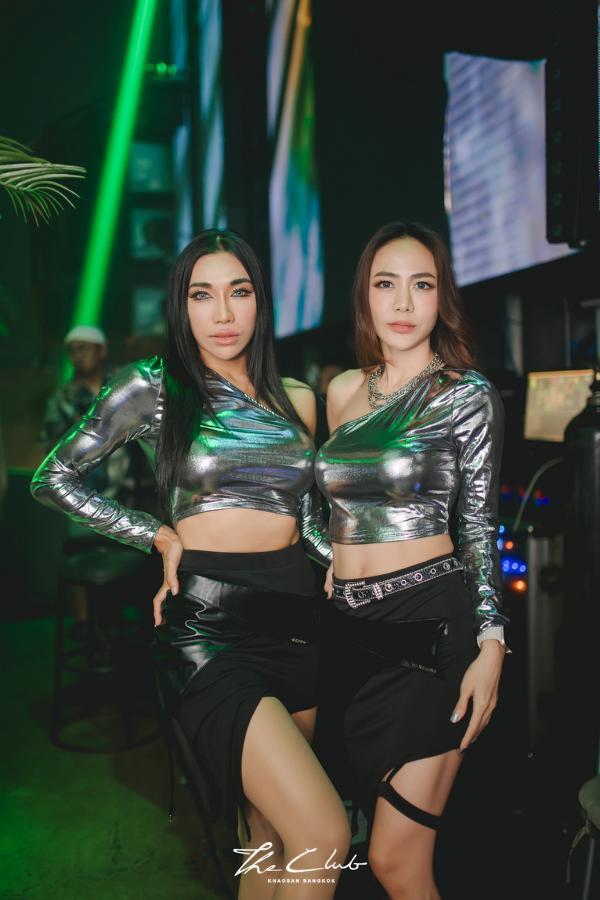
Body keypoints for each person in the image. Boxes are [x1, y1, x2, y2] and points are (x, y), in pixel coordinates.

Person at [31, 229, 350, 899]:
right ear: (181, 305)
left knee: (266, 830)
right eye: (202, 295)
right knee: (324, 834)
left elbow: (304, 518)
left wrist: (343, 563)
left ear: (261, 301)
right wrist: (152, 532)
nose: (223, 313)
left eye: (239, 292)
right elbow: (53, 477)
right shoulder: (154, 386)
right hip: (209, 625)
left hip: (298, 621)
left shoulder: (297, 397)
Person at [315, 222, 508, 899]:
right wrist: (332, 555)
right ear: (364, 297)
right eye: (385, 284)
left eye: (421, 285)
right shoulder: (341, 391)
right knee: (369, 846)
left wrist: (492, 640)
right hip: (349, 634)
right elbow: (329, 504)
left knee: (397, 862)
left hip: (432, 630)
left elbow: (478, 524)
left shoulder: (465, 394)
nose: (402, 302)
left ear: (441, 298)